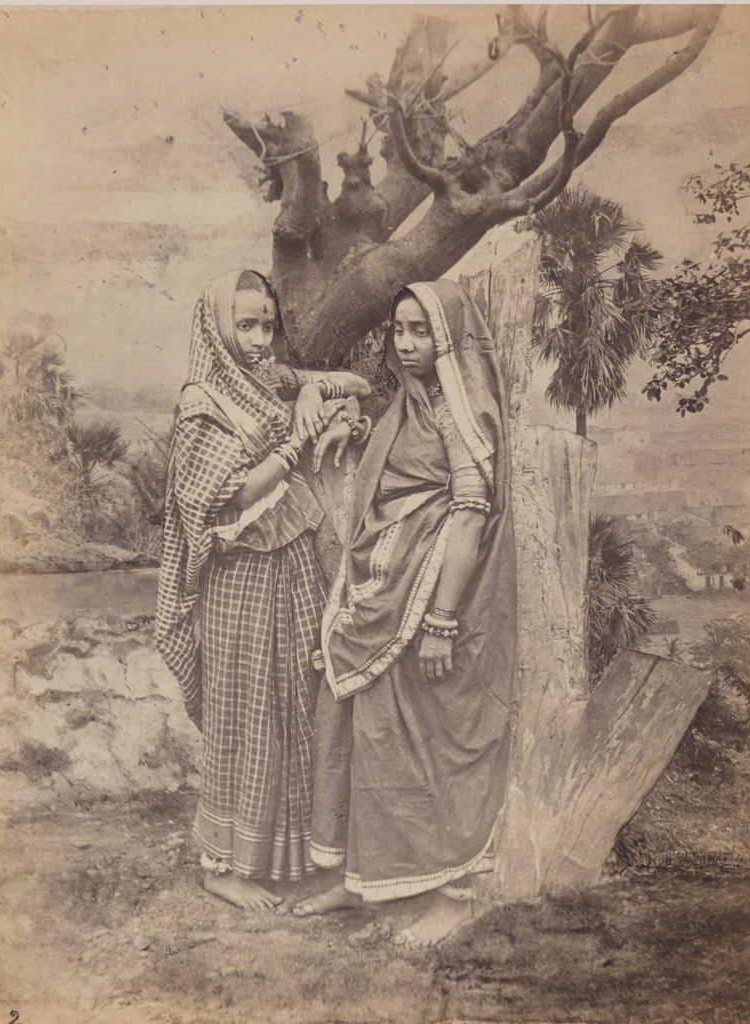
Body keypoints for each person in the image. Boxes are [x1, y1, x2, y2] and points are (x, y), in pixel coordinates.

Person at [294, 278, 517, 946]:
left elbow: (469, 515)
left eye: (422, 330)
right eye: (399, 329)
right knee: (365, 735)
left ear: (450, 339)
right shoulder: (412, 402)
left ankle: (452, 894)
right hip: (376, 590)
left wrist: (442, 621)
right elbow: (398, 465)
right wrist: (355, 425)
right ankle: (360, 876)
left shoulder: (461, 412)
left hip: (426, 603)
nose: (407, 342)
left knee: (425, 743)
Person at [155, 267, 371, 910]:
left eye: (267, 326)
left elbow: (358, 383)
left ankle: (293, 856)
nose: (257, 339)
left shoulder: (270, 379)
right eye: (244, 325)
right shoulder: (202, 403)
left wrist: (312, 391)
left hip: (295, 563)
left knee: (299, 701)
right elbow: (229, 495)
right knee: (244, 709)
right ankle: (221, 866)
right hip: (239, 576)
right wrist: (293, 441)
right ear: (219, 327)